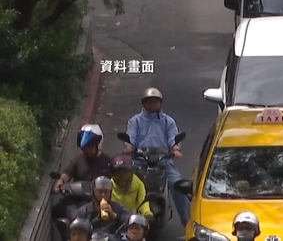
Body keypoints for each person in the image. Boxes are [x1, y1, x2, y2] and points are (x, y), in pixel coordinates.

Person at [123, 88, 189, 227]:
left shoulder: (168, 121)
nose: (152, 105)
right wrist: (129, 147)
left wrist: (175, 149)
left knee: (179, 187)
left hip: (163, 162)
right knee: (124, 184)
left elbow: (173, 138)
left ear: (160, 103)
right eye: (149, 102)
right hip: (140, 161)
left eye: (155, 102)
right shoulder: (135, 121)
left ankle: (188, 224)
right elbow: (131, 137)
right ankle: (123, 221)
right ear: (144, 103)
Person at [52, 124, 113, 220]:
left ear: (97, 144)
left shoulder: (108, 162)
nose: (86, 150)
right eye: (84, 148)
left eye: (89, 147)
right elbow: (65, 175)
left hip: (98, 200)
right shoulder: (78, 160)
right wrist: (59, 184)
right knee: (58, 209)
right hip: (77, 199)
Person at [109, 154, 153, 220]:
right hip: (113, 218)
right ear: (113, 173)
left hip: (131, 220)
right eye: (118, 171)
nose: (122, 175)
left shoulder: (138, 184)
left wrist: (147, 213)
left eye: (125, 171)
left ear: (131, 171)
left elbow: (142, 202)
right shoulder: (108, 186)